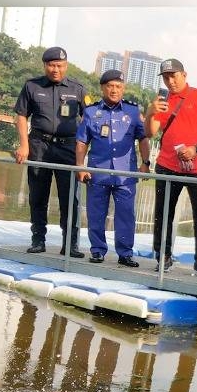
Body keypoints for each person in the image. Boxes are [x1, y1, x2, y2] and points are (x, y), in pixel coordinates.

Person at [144, 58, 197, 275]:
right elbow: (151, 132)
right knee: (163, 212)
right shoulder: (163, 101)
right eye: (166, 77)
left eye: (174, 76)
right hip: (167, 165)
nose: (170, 81)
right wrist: (150, 112)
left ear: (184, 75)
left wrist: (196, 148)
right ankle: (163, 256)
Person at [14, 46, 87, 257]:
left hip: (68, 148)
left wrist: (84, 153)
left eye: (60, 65)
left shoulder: (78, 89)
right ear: (45, 65)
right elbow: (21, 115)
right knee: (38, 195)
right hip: (39, 146)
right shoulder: (32, 86)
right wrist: (24, 145)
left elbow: (90, 119)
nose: (56, 69)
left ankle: (70, 244)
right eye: (52, 65)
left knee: (69, 198)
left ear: (66, 66)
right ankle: (38, 239)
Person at [74, 69, 150, 267]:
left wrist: (146, 162)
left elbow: (143, 138)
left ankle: (125, 253)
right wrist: (80, 167)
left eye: (118, 86)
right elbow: (82, 142)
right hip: (98, 172)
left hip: (125, 174)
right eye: (110, 86)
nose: (114, 90)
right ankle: (97, 250)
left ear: (123, 88)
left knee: (126, 214)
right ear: (102, 88)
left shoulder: (132, 112)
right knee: (95, 213)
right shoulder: (91, 112)